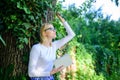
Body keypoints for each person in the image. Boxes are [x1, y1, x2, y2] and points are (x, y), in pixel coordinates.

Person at [28, 13, 75, 80]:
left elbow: (71, 35)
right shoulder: (36, 48)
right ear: (44, 33)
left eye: (54, 29)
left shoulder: (54, 46)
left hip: (50, 78)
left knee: (67, 59)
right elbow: (31, 73)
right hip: (38, 79)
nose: (54, 30)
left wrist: (62, 20)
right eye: (51, 29)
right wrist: (51, 72)